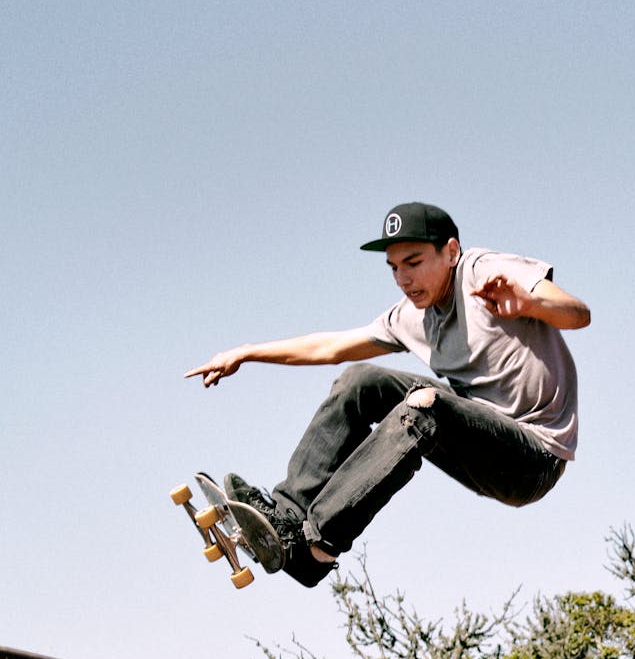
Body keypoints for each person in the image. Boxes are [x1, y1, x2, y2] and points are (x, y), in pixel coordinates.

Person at [185, 202, 590, 587]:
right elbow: (331, 348)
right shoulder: (410, 318)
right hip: (475, 444)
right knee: (360, 380)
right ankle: (286, 520)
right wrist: (247, 353)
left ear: (450, 251)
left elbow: (577, 313)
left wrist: (532, 302)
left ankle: (319, 546)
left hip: (533, 458)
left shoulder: (482, 271)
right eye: (394, 268)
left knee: (423, 406)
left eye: (414, 263)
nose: (403, 279)